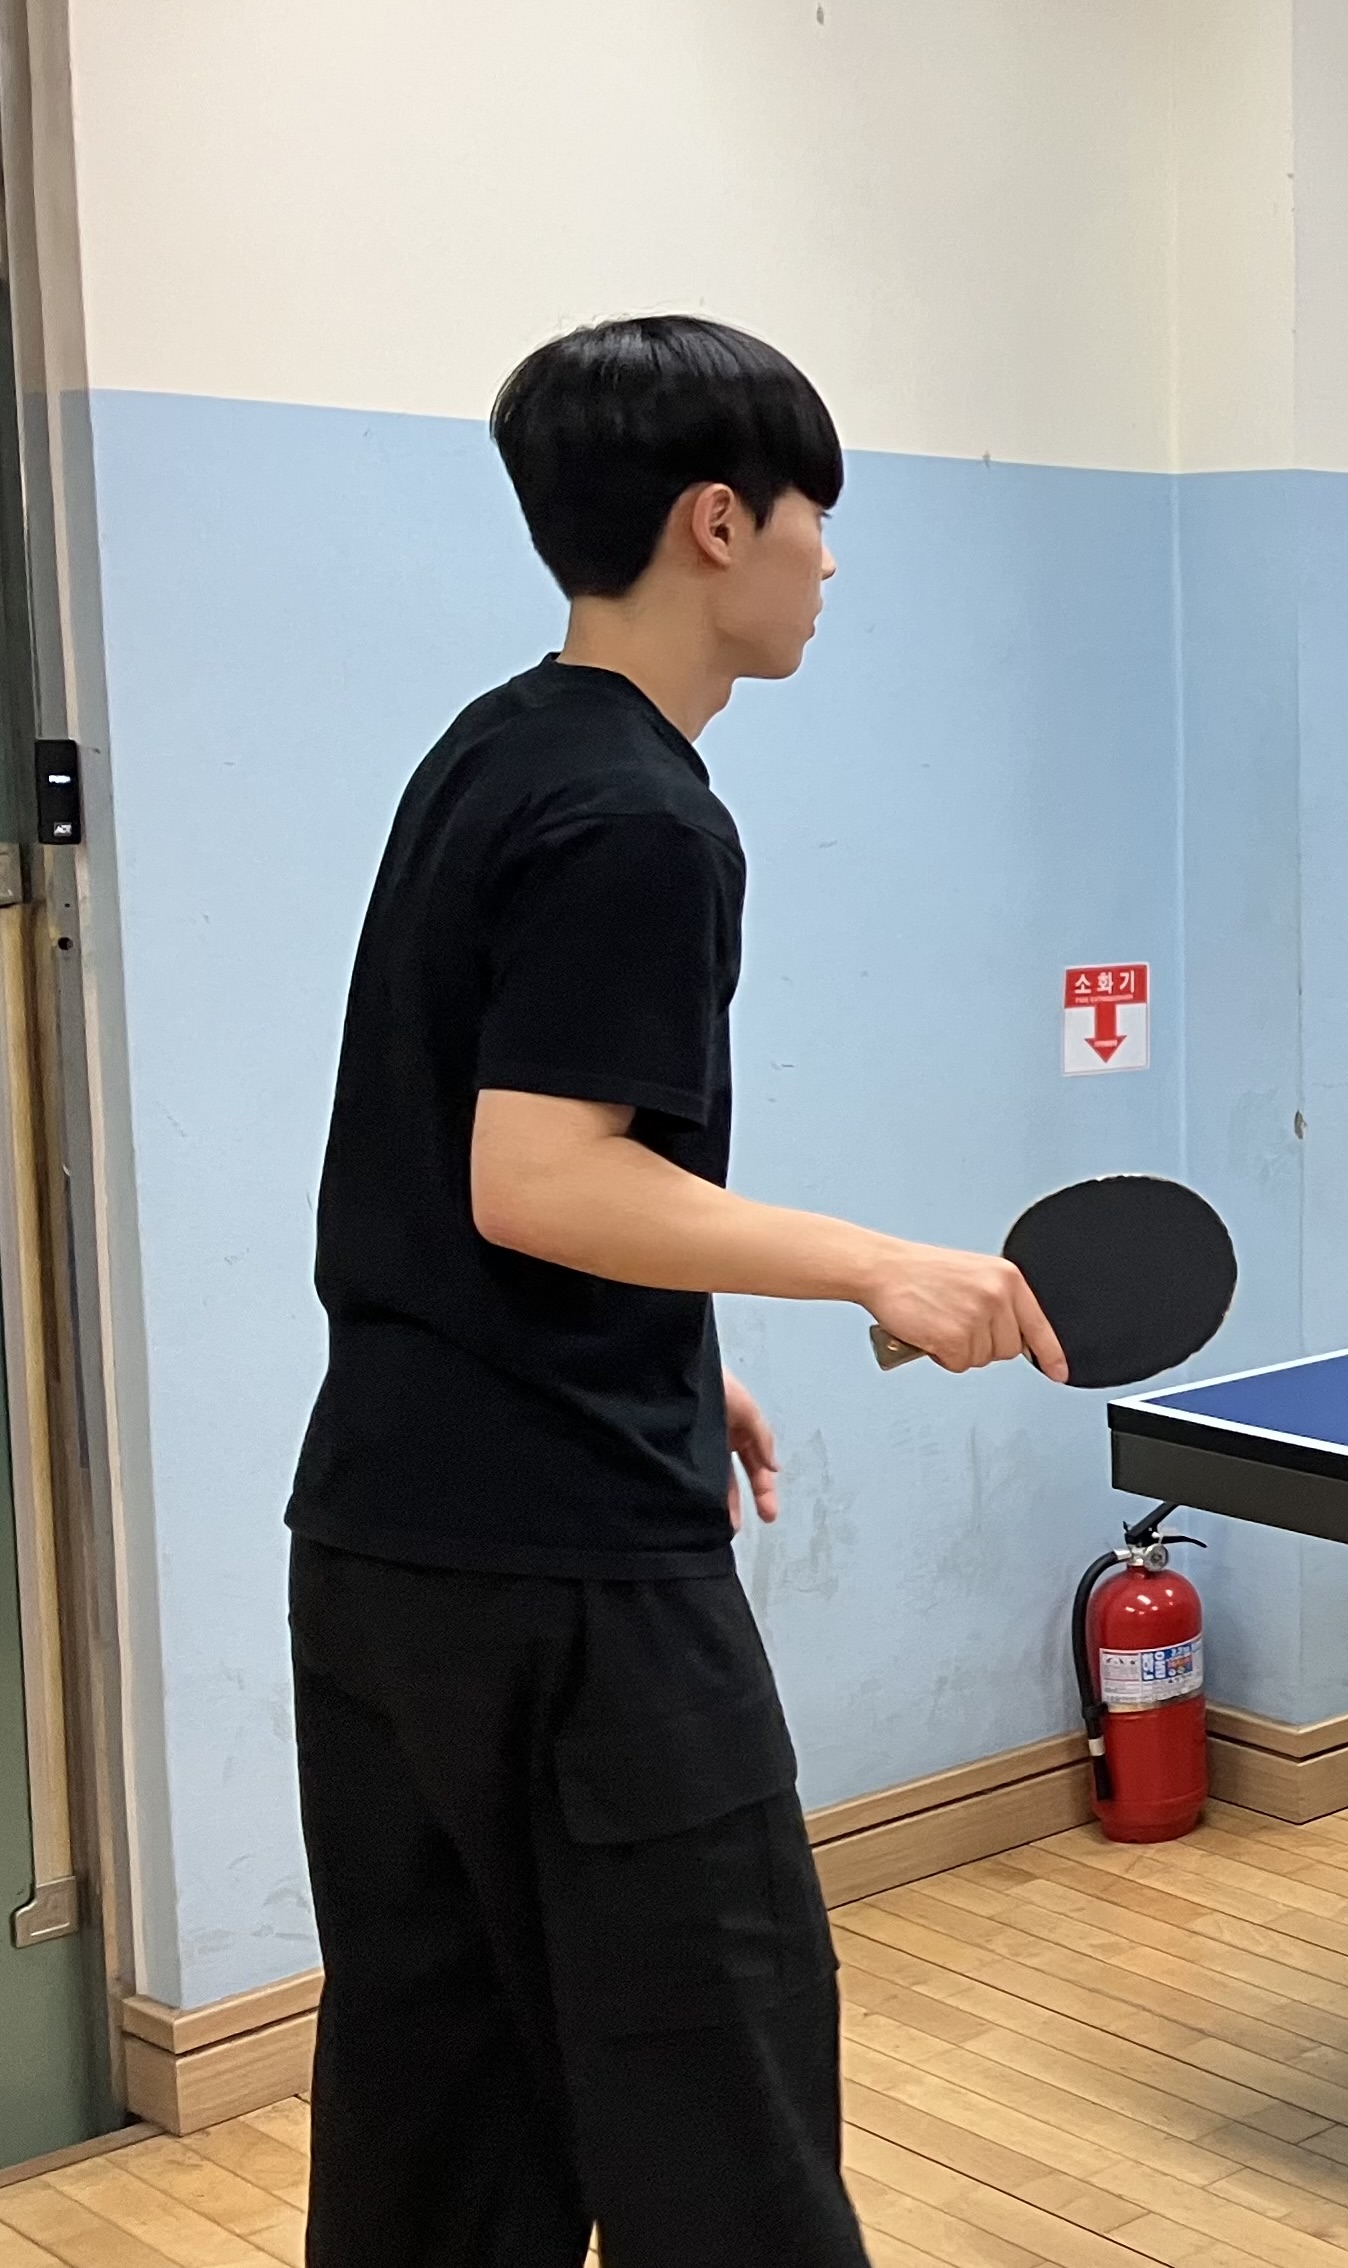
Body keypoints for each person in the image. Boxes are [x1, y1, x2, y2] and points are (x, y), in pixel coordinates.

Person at [285, 316, 1066, 2265]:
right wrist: (876, 1261)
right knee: (724, 2121)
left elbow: (462, 1160)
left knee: (437, 2125)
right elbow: (539, 1175)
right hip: (571, 1582)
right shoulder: (645, 814)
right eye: (815, 517)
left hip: (382, 1550)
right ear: (719, 523)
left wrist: (669, 1352)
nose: (829, 561)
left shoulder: (496, 746)